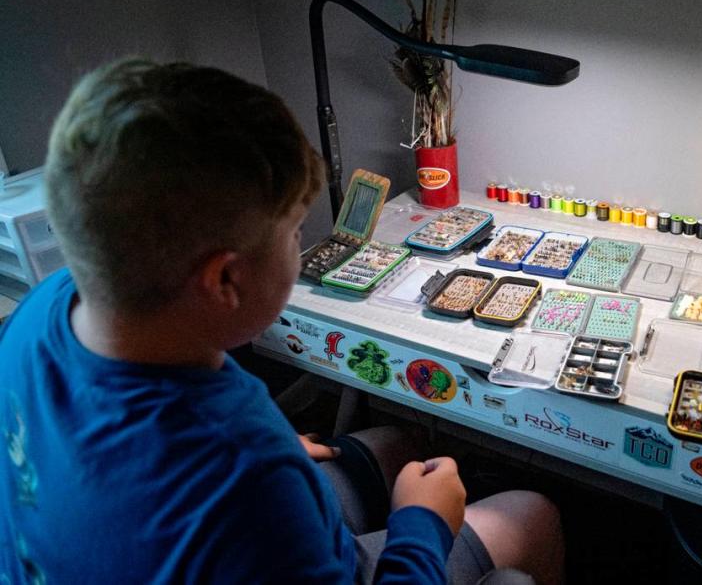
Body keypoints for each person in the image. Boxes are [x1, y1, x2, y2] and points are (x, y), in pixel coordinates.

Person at [0, 59, 564, 583]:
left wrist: (266, 443)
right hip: (248, 526)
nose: (304, 246)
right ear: (224, 281)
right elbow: (226, 479)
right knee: (529, 515)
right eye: (295, 234)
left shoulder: (44, 307)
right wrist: (422, 525)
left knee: (401, 442)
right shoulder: (246, 475)